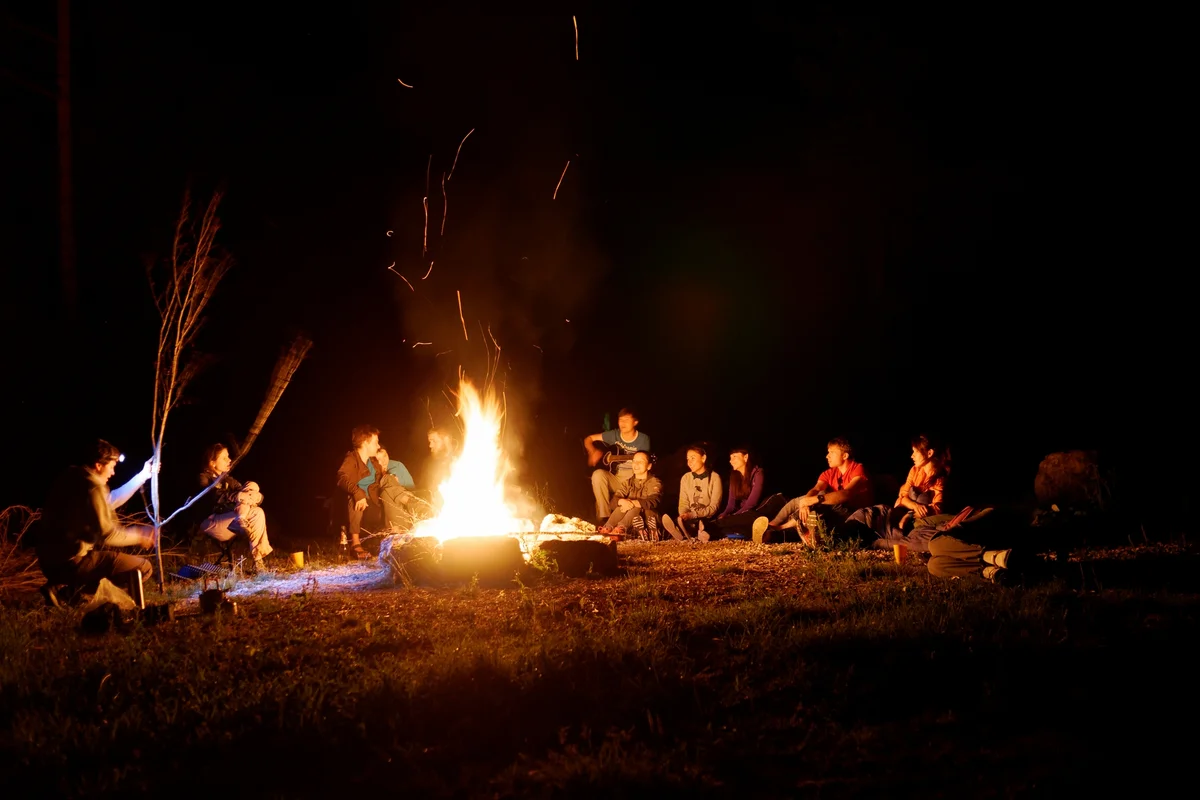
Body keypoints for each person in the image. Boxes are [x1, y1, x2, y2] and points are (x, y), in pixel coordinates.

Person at [35, 439, 158, 606]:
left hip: (49, 562)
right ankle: (70, 593)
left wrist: (143, 475)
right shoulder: (92, 487)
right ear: (99, 465)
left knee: (103, 559)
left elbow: (109, 500)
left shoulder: (74, 477)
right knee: (144, 567)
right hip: (70, 562)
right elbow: (107, 534)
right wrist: (139, 536)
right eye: (112, 466)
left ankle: (64, 589)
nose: (113, 472)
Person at [842, 433, 953, 553]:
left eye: (915, 452)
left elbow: (937, 508)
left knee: (906, 528)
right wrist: (915, 506)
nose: (912, 456)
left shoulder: (940, 479)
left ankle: (873, 542)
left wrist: (909, 514)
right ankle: (838, 535)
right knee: (869, 513)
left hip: (915, 522)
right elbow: (903, 497)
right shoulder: (915, 470)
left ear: (929, 453)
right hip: (900, 512)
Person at [752, 437, 872, 546]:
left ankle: (779, 528)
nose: (827, 456)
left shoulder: (858, 469)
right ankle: (772, 530)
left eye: (832, 452)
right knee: (803, 503)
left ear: (845, 456)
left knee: (822, 498)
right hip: (833, 512)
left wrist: (813, 500)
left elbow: (847, 493)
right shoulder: (830, 472)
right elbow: (815, 489)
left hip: (855, 515)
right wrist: (805, 503)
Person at [197, 443, 273, 572]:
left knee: (252, 488)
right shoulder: (204, 478)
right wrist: (238, 496)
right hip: (212, 521)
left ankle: (258, 562)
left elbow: (245, 493)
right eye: (224, 458)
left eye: (228, 457)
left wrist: (257, 497)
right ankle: (240, 520)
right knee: (246, 502)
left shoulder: (227, 479)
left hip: (232, 520)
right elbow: (212, 497)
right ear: (212, 462)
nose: (229, 460)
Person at [584, 408, 651, 522]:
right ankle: (604, 517)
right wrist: (593, 451)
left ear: (635, 422)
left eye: (626, 420)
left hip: (633, 479)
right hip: (617, 477)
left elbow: (643, 461)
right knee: (598, 474)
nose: (623, 423)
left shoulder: (643, 439)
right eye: (620, 420)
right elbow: (589, 439)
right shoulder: (614, 435)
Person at [706, 446, 788, 540]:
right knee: (734, 522)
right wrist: (724, 514)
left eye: (734, 457)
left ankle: (708, 527)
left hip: (759, 510)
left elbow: (751, 504)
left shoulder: (758, 473)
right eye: (730, 458)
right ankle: (710, 530)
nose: (731, 461)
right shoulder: (734, 477)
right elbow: (731, 505)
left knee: (748, 518)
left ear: (745, 457)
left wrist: (733, 516)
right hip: (745, 512)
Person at [336, 424, 383, 558]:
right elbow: (341, 477)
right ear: (365, 443)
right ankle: (355, 544)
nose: (378, 446)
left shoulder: (373, 463)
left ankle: (395, 537)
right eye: (375, 442)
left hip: (375, 505)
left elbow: (381, 481)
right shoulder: (351, 459)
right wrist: (357, 493)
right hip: (359, 507)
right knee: (355, 496)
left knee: (390, 483)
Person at [662, 444, 724, 542]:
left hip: (707, 516)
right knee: (681, 520)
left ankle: (690, 532)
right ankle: (686, 530)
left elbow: (714, 507)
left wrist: (693, 514)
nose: (689, 462)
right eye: (687, 459)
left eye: (692, 458)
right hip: (690, 517)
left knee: (705, 524)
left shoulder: (715, 478)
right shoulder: (686, 478)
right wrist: (683, 515)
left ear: (703, 458)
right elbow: (683, 502)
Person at [597, 451, 663, 540]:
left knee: (637, 505)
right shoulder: (628, 482)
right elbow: (613, 503)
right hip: (632, 518)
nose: (636, 464)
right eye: (634, 461)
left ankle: (622, 529)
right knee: (622, 503)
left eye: (641, 462)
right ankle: (608, 527)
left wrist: (632, 503)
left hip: (648, 516)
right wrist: (622, 501)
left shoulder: (654, 482)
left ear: (649, 466)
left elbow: (654, 501)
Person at [367, 446, 418, 530]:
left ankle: (396, 532)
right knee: (386, 490)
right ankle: (401, 531)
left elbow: (411, 488)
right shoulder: (371, 471)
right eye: (379, 459)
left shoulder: (397, 465)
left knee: (389, 490)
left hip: (405, 497)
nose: (384, 461)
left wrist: (397, 485)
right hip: (383, 503)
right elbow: (372, 494)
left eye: (385, 456)